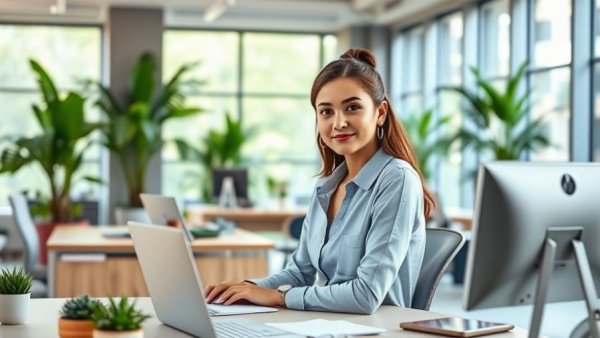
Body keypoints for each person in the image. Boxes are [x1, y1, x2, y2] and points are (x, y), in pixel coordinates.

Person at [204, 48, 435, 314]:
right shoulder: (326, 187)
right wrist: (242, 289)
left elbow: (366, 295)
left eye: (352, 108)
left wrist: (278, 298)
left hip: (376, 329)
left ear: (380, 112)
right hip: (328, 323)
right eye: (326, 112)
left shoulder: (397, 179)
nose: (338, 123)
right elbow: (300, 272)